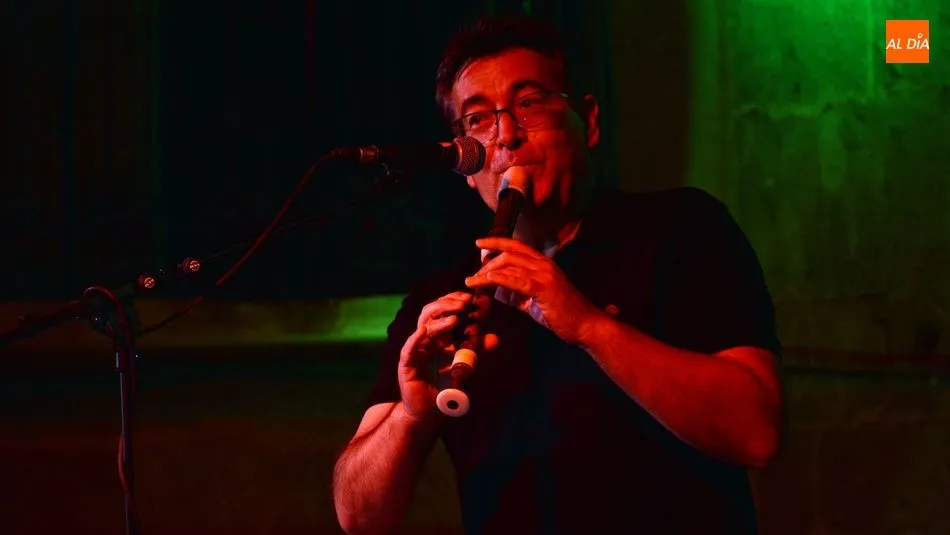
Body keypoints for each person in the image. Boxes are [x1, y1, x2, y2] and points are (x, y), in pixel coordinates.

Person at [332, 15, 783, 535]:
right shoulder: (440, 299)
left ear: (587, 122)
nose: (506, 137)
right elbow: (357, 516)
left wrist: (590, 327)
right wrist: (413, 415)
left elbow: (756, 433)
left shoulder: (681, 229)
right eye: (477, 119)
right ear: (463, 164)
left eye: (528, 104)